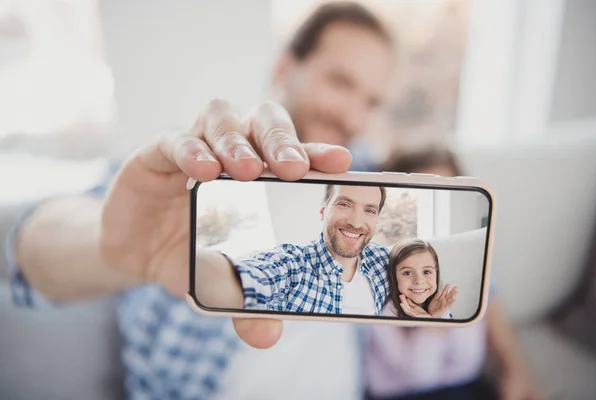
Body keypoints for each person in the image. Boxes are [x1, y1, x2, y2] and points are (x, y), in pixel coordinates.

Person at [5, 2, 397, 399]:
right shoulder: (191, 170)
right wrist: (111, 246)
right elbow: (29, 248)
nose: (354, 118)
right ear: (284, 68)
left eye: (371, 102)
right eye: (341, 83)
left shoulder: (364, 171)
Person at [364, 141, 541, 400]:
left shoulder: (467, 269)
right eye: (417, 198)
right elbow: (418, 374)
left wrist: (514, 372)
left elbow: (469, 363)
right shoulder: (376, 280)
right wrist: (435, 324)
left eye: (447, 192)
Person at [199, 184, 390, 315]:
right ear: (323, 211)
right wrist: (191, 264)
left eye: (370, 210)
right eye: (344, 204)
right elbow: (245, 278)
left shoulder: (382, 260)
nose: (356, 222)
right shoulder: (292, 265)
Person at [383, 238, 457, 319]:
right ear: (394, 275)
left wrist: (435, 317)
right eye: (407, 273)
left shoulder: (440, 306)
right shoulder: (390, 312)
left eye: (427, 272)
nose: (419, 281)